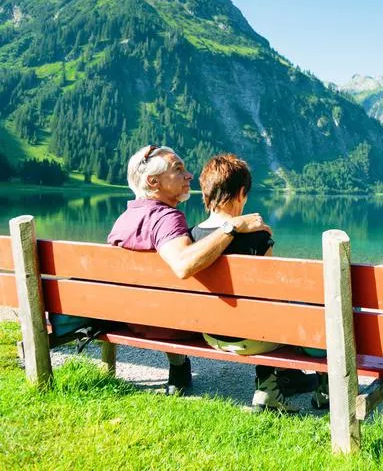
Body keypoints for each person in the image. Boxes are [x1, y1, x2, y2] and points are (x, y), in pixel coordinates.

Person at [107, 145, 271, 396]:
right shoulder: (167, 219)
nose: (189, 176)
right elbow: (184, 265)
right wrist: (233, 226)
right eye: (178, 169)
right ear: (153, 182)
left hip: (132, 318)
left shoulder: (124, 219)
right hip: (174, 323)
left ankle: (178, 364)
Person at [192, 154, 325, 412]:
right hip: (253, 337)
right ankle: (322, 392)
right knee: (313, 314)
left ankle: (271, 388)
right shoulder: (257, 236)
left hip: (210, 333)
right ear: (242, 193)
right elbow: (269, 299)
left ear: (206, 191)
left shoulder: (192, 238)